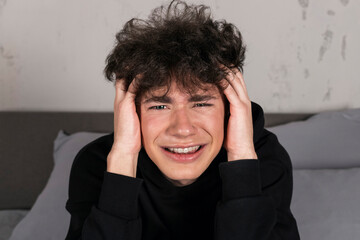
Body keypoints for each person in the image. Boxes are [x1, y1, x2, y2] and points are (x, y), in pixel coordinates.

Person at [65, 0, 300, 239]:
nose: (183, 128)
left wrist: (241, 160)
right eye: (159, 105)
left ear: (230, 110)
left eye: (201, 103)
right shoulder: (97, 165)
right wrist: (123, 161)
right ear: (132, 114)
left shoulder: (262, 160)